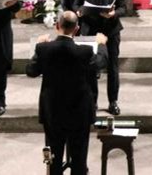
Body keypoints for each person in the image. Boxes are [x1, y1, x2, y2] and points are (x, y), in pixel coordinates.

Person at [26, 11, 107, 175]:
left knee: (53, 158)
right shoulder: (84, 52)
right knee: (79, 159)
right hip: (79, 111)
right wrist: (101, 45)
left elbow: (31, 71)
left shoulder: (43, 49)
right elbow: (100, 62)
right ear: (76, 29)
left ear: (57, 26)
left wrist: (38, 50)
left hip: (52, 111)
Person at [73, 0, 128, 115]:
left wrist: (114, 13)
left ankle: (113, 101)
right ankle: (92, 102)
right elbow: (76, 3)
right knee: (90, 67)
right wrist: (79, 12)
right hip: (90, 29)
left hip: (110, 29)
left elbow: (124, 6)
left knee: (112, 66)